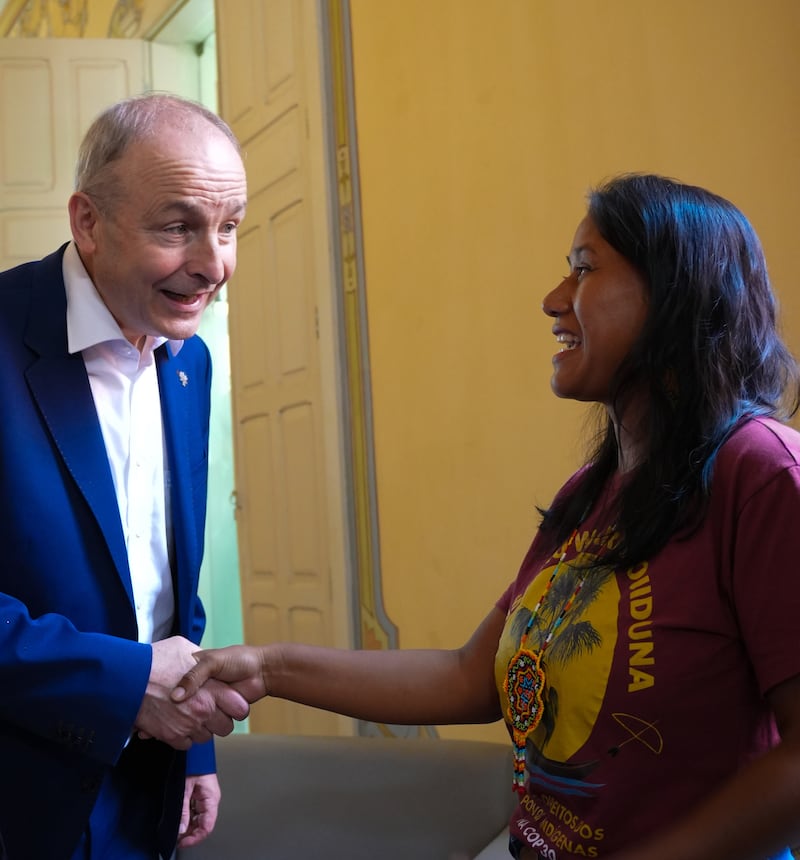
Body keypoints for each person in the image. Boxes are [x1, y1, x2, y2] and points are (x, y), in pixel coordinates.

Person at [173, 173, 800, 860]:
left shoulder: (762, 473)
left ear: (676, 292)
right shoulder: (589, 494)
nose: (554, 299)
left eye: (585, 270)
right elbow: (472, 677)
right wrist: (269, 667)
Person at [0, 93, 251, 859]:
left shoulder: (192, 361)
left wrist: (193, 752)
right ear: (87, 222)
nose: (214, 266)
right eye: (179, 227)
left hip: (148, 786)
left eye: (231, 226)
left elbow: (171, 580)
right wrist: (121, 684)